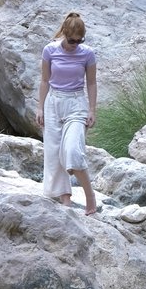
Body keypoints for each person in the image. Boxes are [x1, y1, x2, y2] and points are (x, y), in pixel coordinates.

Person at [37, 11, 98, 214]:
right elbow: (45, 80)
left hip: (76, 103)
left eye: (80, 41)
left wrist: (91, 109)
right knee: (53, 152)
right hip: (53, 101)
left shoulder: (87, 53)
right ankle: (65, 198)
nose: (75, 44)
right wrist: (40, 107)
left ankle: (90, 197)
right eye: (72, 40)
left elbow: (91, 82)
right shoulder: (49, 51)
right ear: (64, 33)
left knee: (72, 150)